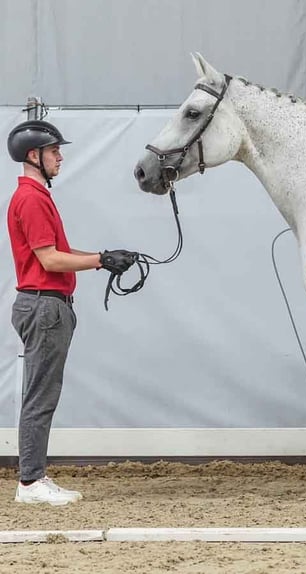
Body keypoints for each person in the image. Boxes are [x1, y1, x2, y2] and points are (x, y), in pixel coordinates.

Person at [6, 120, 137, 505]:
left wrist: (103, 258)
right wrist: (99, 260)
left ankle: (33, 478)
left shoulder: (36, 195)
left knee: (43, 393)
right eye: (54, 151)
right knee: (40, 396)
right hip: (45, 306)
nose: (60, 157)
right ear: (35, 156)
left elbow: (55, 253)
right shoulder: (31, 199)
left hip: (49, 305)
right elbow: (48, 259)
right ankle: (30, 482)